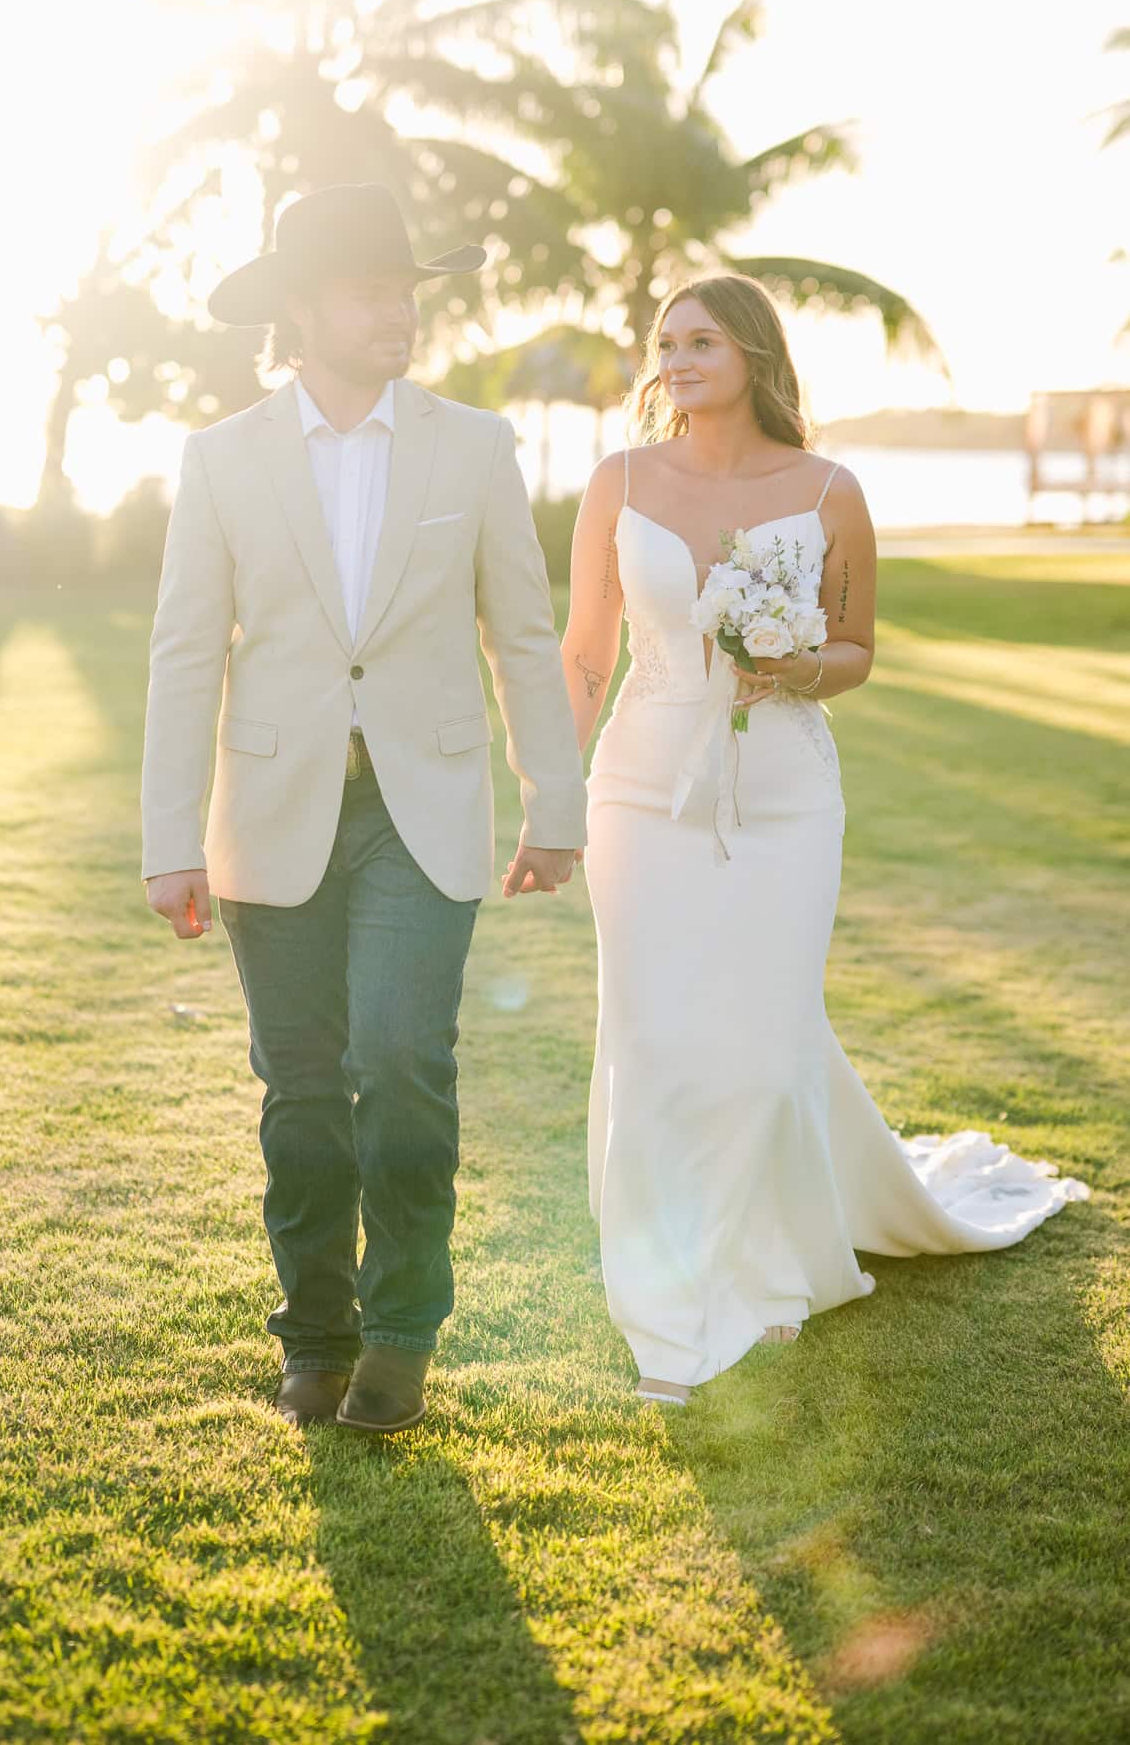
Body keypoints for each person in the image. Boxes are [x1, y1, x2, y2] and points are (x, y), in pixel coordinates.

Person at [559, 273, 1087, 1406]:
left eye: (702, 338)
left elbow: (855, 647)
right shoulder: (619, 481)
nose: (679, 356)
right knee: (652, 1045)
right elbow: (586, 656)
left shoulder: (831, 490)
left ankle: (768, 1260)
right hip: (640, 793)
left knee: (758, 1044)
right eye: (666, 342)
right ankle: (672, 1315)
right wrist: (554, 793)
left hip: (786, 794)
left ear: (753, 351)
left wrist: (798, 666)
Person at [141, 183, 588, 1432]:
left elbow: (524, 630)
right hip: (271, 815)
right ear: (302, 310)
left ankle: (399, 1335)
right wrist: (169, 839)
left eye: (407, 289)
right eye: (368, 290)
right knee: (299, 1092)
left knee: (400, 1063)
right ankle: (316, 1338)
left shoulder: (474, 445)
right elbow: (186, 651)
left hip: (423, 809)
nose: (397, 311)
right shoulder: (221, 457)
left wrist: (556, 801)